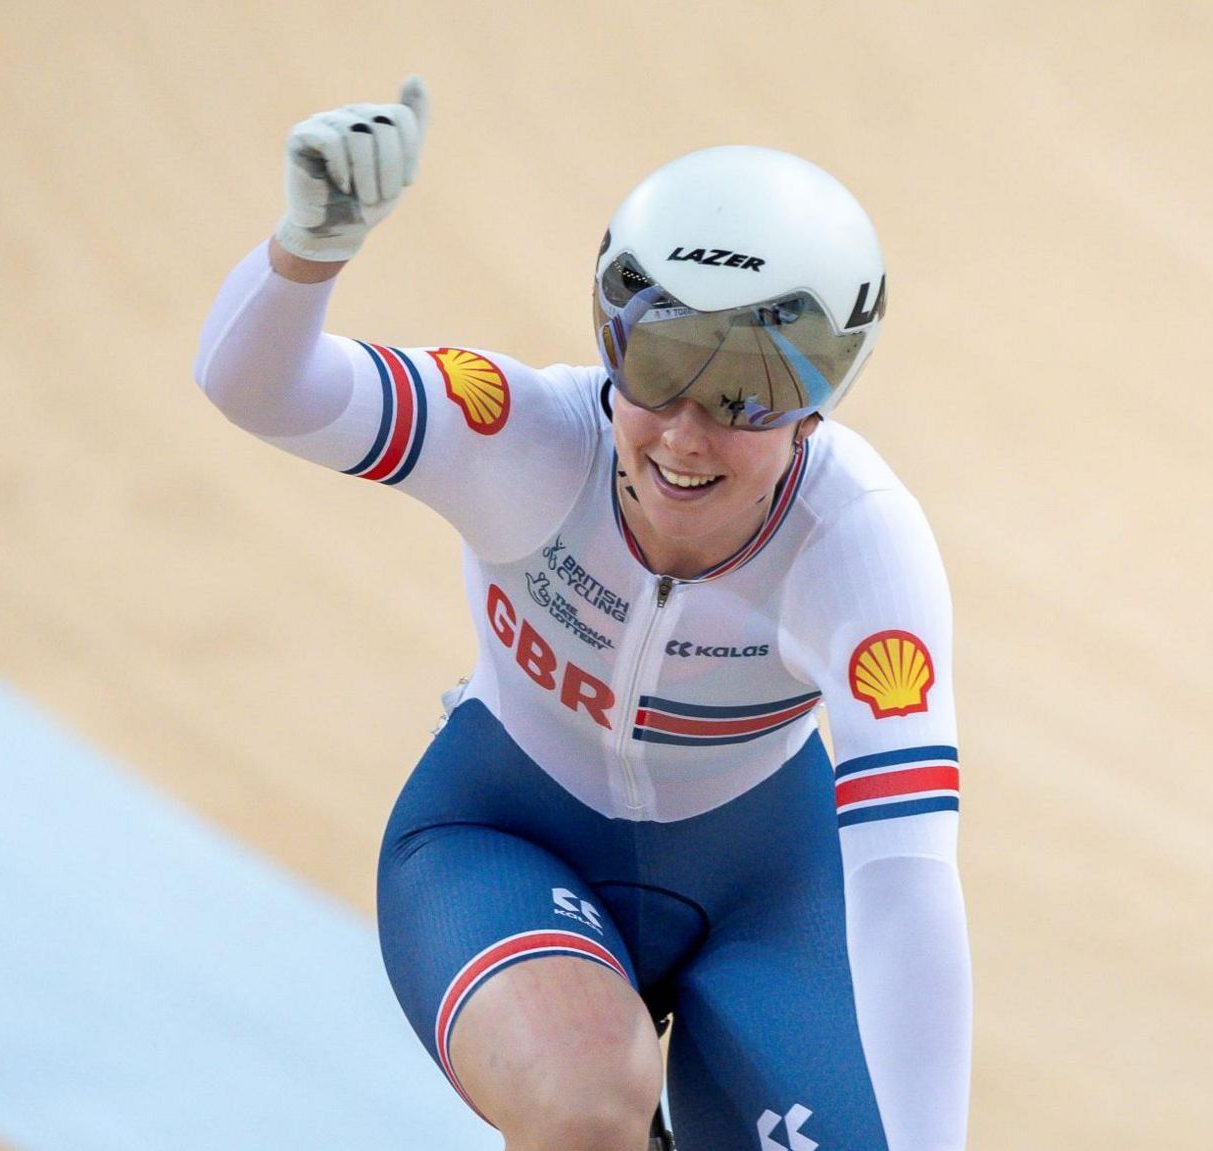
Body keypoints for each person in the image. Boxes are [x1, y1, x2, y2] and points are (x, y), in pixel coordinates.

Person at [195, 77, 970, 1151]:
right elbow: (258, 388)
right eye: (656, 367)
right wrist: (307, 248)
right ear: (608, 338)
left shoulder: (859, 543)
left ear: (822, 395)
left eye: (746, 393)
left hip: (767, 891)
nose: (687, 436)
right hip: (500, 837)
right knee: (583, 1105)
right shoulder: (523, 437)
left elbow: (905, 876)